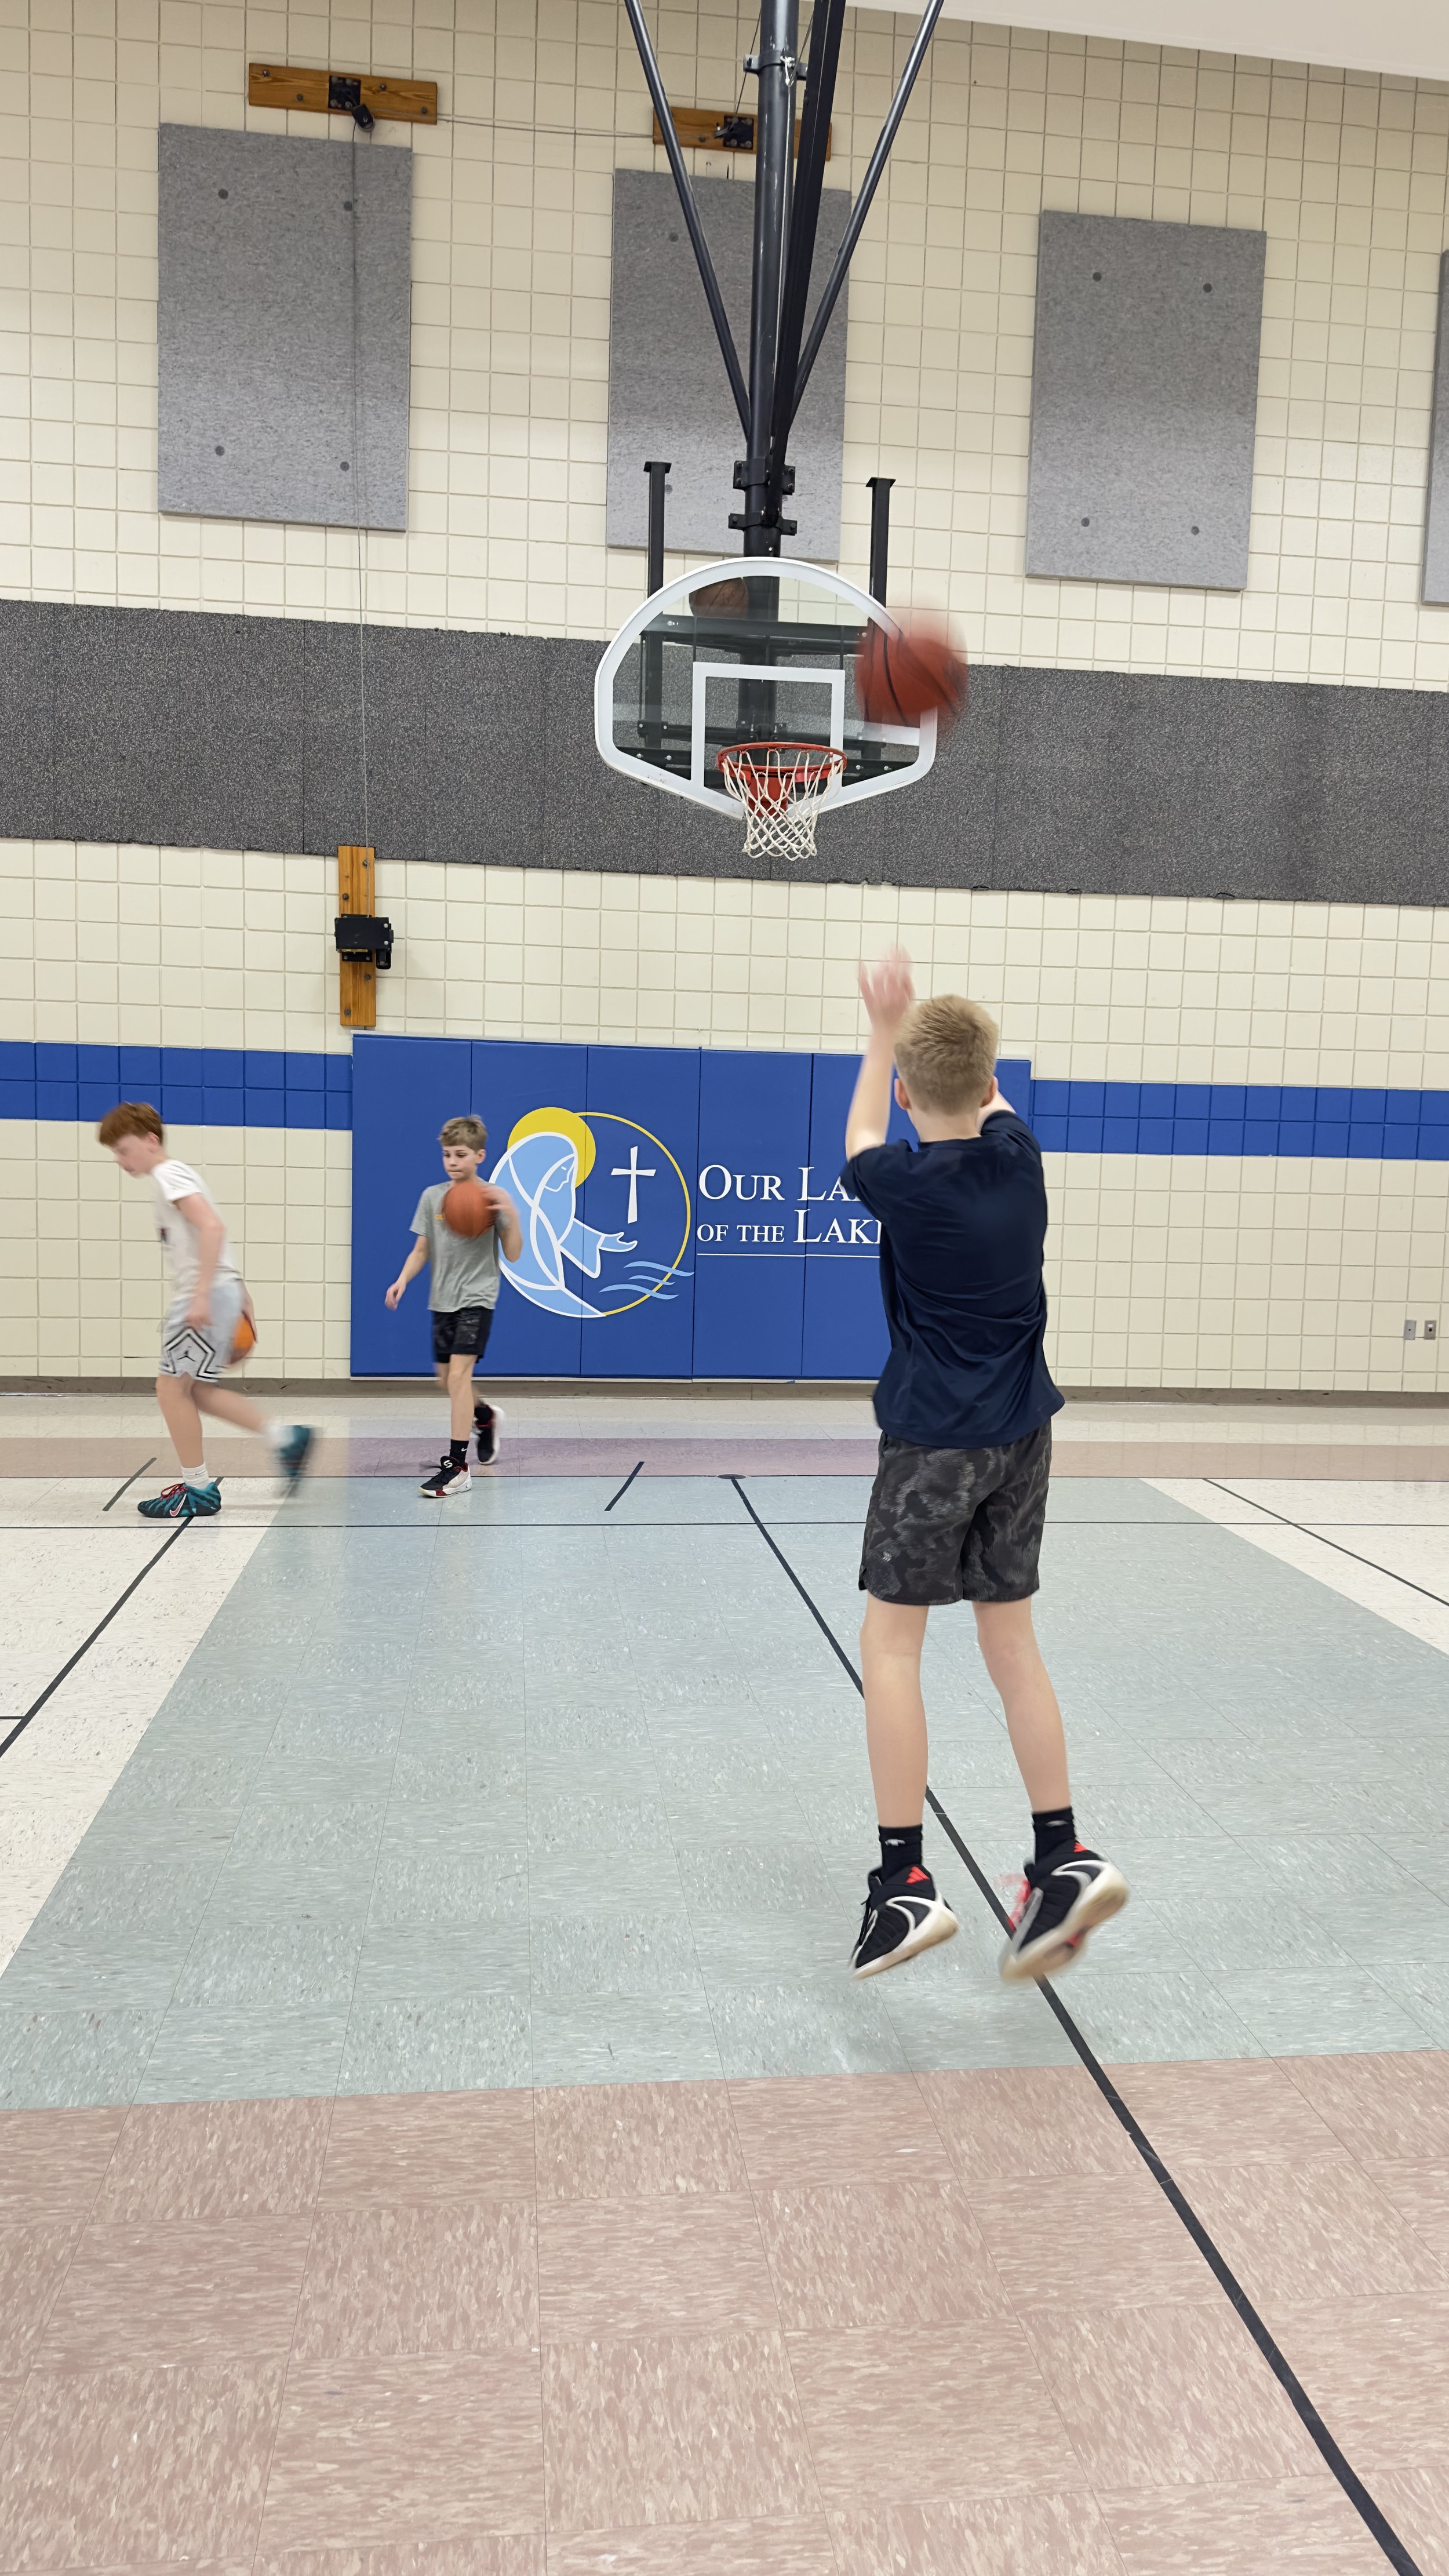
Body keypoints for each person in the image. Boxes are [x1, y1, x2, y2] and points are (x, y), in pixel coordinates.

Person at [842, 950, 1128, 1983]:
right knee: (1012, 1644)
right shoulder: (1021, 1157)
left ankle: (901, 1883)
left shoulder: (899, 1182)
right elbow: (981, 1091)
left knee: (891, 1647)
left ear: (914, 1085)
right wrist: (925, 1041)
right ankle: (1061, 1853)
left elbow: (863, 1131)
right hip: (1024, 1436)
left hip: (932, 1441)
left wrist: (884, 1027)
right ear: (992, 1079)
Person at [98, 1102, 314, 1517]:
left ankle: (198, 1490)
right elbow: (208, 1230)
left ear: (150, 1140)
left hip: (204, 1295)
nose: (120, 1161)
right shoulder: (172, 1176)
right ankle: (284, 1438)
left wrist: (201, 1296)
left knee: (170, 1389)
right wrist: (239, 1290)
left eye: (124, 1150)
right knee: (195, 1390)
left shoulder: (168, 1174)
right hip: (220, 1289)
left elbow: (213, 1226)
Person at [385, 1113, 523, 1497]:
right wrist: (402, 1280)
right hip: (441, 1300)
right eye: (447, 1154)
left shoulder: (493, 1198)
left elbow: (513, 1255)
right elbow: (421, 1249)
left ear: (480, 1155)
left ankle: (458, 1467)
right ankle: (485, 1417)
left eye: (461, 1154)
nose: (452, 1161)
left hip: (477, 1298)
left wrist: (510, 1214)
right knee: (446, 1381)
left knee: (459, 1378)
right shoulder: (432, 1197)